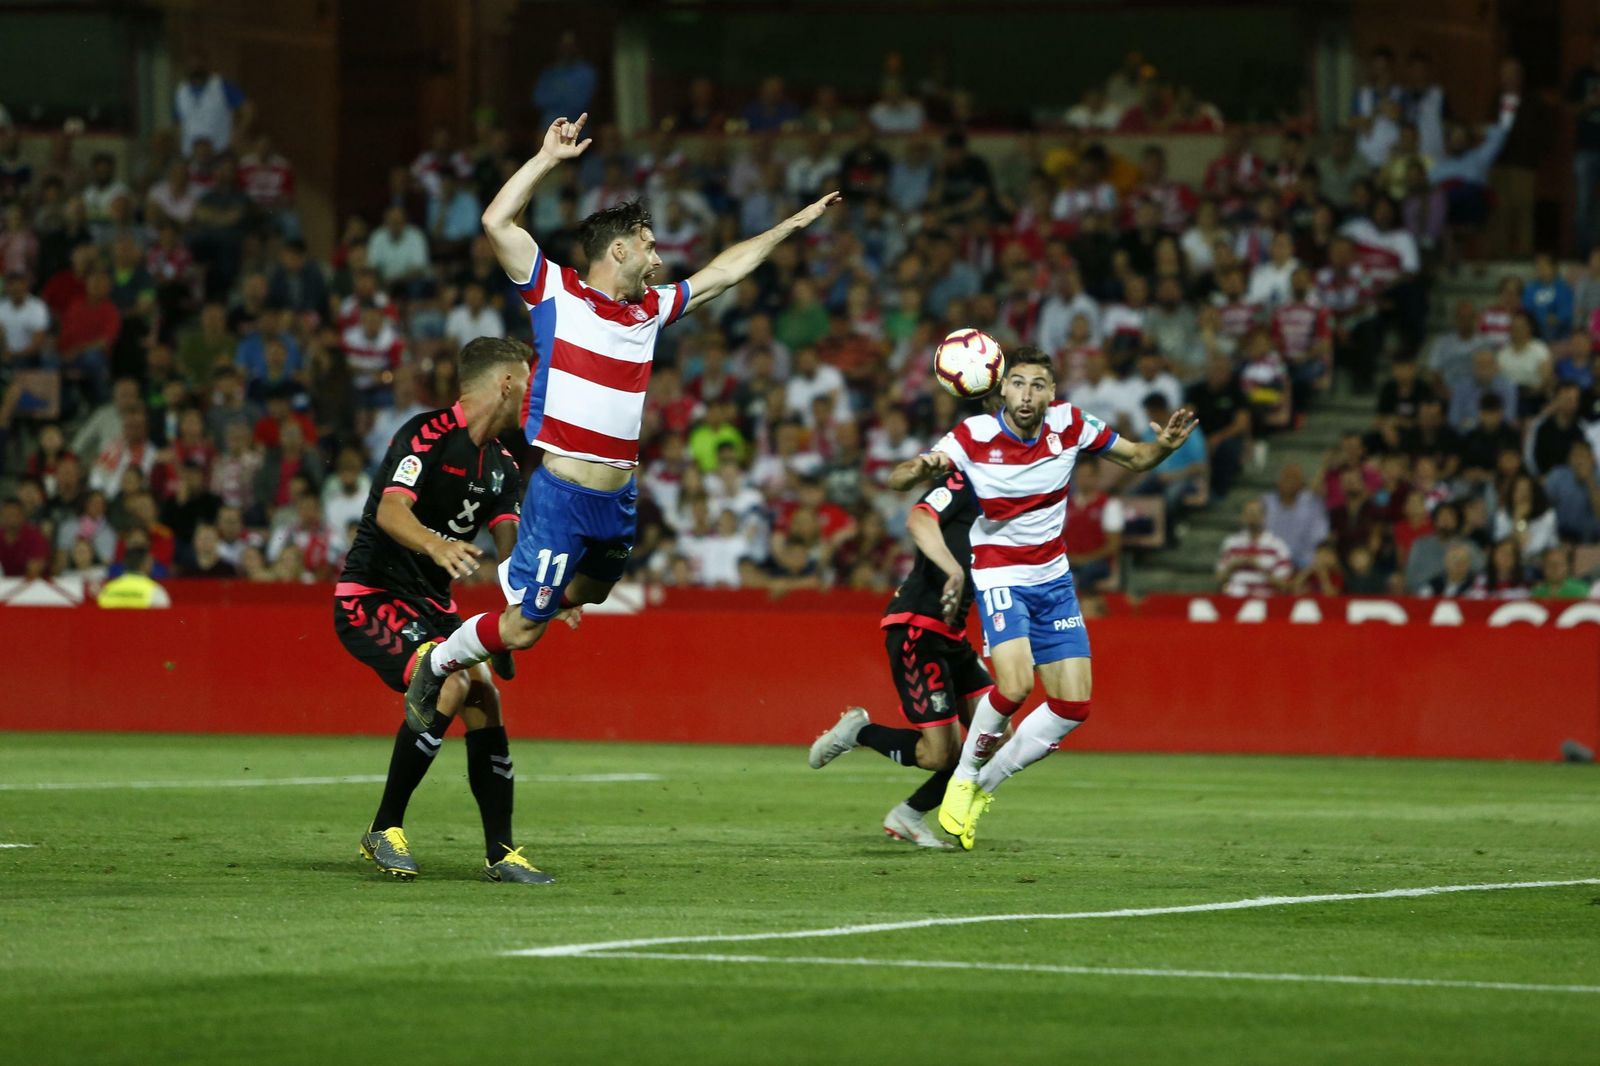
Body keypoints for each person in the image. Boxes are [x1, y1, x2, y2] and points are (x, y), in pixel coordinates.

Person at [403, 113, 840, 729]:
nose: (659, 259)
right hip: (564, 494)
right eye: (651, 245)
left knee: (591, 594)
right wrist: (548, 159)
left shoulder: (650, 312)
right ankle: (443, 657)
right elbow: (496, 222)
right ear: (619, 249)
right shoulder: (554, 292)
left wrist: (788, 227)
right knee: (525, 631)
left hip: (619, 500)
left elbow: (723, 272)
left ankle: (521, 596)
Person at [886, 346, 1197, 850]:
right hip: (999, 573)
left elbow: (1138, 458)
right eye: (1018, 383)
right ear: (1000, 388)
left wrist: (1164, 446)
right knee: (1013, 684)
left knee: (1074, 706)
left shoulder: (1070, 424)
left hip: (1053, 579)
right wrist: (924, 464)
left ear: (1052, 393)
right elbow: (899, 479)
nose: (1027, 394)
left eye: (1038, 385)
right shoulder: (972, 436)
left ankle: (981, 786)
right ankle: (964, 777)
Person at [335, 337, 551, 885]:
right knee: (447, 681)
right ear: (506, 383)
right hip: (371, 597)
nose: (531, 392)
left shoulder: (503, 465)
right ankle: (384, 827)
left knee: (484, 695)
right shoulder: (425, 435)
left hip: (434, 608)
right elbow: (390, 510)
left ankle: (501, 853)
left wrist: (547, 597)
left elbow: (512, 550)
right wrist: (436, 545)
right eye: (526, 380)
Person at [806, 467, 994, 848]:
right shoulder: (965, 481)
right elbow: (919, 518)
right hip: (918, 625)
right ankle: (860, 732)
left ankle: (908, 815)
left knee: (994, 738)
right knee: (940, 754)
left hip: (955, 635)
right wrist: (952, 569)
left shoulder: (1014, 502)